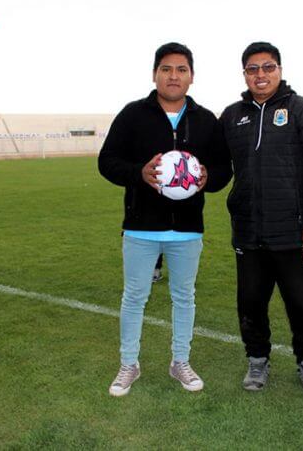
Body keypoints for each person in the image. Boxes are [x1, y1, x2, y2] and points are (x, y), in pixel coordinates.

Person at [98, 42, 232, 396]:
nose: (174, 76)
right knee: (134, 297)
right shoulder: (132, 114)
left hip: (187, 231)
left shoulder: (205, 119)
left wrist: (208, 178)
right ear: (155, 73)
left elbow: (223, 169)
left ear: (191, 76)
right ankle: (129, 364)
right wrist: (137, 173)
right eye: (167, 69)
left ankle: (180, 361)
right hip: (141, 227)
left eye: (181, 69)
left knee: (184, 297)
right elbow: (106, 161)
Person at [219, 42, 303, 395]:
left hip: (295, 232)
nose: (260, 75)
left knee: (301, 303)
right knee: (250, 302)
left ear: (280, 70)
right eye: (252, 69)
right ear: (245, 74)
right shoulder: (232, 115)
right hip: (250, 232)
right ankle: (257, 360)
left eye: (267, 67)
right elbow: (217, 166)